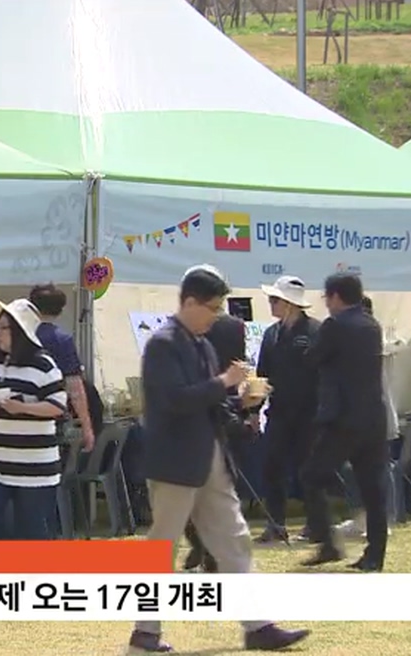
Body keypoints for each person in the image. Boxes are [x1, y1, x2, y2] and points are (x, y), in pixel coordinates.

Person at [129, 264, 308, 653]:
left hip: (210, 455)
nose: (216, 316)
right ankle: (145, 632)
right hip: (175, 461)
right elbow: (175, 400)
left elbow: (209, 402)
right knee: (163, 545)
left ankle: (258, 626)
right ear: (190, 302)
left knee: (234, 538)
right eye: (212, 308)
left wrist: (241, 402)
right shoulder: (162, 344)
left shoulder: (203, 345)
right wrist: (225, 383)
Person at [300, 272, 388, 572]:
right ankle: (375, 554)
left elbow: (312, 359)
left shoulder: (335, 326)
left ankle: (328, 542)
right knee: (373, 489)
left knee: (312, 476)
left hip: (342, 418)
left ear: (336, 296)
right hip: (373, 417)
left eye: (327, 297)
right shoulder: (371, 325)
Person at [0, 298, 67, 539]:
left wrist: (23, 408)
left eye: (4, 328)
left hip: (34, 466)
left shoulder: (44, 365)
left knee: (31, 533)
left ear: (19, 331)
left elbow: (58, 405)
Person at [184, 307, 254, 572]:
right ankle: (208, 550)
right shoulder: (234, 326)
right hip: (221, 407)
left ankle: (204, 549)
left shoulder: (187, 335)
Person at [255, 276, 320, 544]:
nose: (271, 304)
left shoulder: (316, 331)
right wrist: (254, 409)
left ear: (290, 303)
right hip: (279, 412)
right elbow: (263, 374)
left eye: (275, 300)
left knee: (309, 470)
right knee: (273, 467)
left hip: (309, 414)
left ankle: (316, 524)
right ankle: (276, 524)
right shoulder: (272, 334)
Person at [338, 296, 402, 539]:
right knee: (352, 469)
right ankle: (360, 519)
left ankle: (383, 520)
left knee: (380, 469)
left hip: (377, 415)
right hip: (353, 416)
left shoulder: (376, 342)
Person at [28, 283, 97, 452]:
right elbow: (75, 387)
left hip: (15, 415)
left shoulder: (16, 336)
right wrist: (86, 426)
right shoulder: (62, 340)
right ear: (60, 310)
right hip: (51, 416)